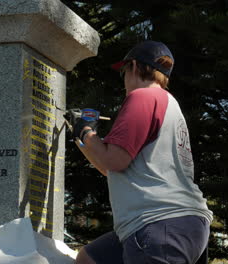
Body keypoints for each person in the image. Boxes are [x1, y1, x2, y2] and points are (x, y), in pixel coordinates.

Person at [72, 40, 213, 264]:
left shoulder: (142, 97)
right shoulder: (169, 104)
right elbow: (111, 168)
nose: (124, 81)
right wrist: (84, 139)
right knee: (89, 259)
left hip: (159, 224)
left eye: (124, 72)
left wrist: (86, 132)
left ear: (135, 66)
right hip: (180, 225)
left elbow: (114, 160)